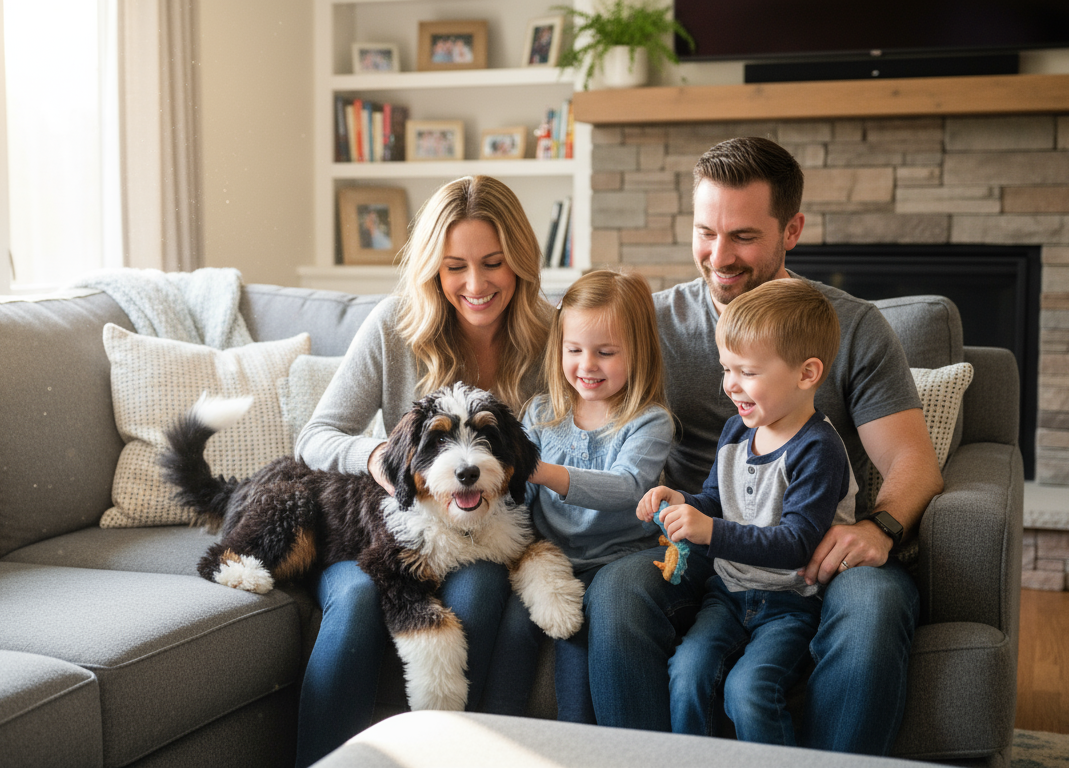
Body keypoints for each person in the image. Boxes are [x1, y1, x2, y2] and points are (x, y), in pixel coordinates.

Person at [586, 136, 944, 755]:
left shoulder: (851, 326)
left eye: (744, 237)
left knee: (876, 605)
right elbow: (575, 402)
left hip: (814, 549)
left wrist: (880, 527)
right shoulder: (651, 325)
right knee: (616, 592)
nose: (719, 256)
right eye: (706, 232)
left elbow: (911, 459)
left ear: (792, 230)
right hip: (702, 542)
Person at [292, 175, 553, 767]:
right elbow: (315, 437)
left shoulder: (553, 335)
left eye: (493, 263)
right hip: (383, 536)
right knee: (357, 598)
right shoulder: (396, 325)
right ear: (433, 268)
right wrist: (377, 459)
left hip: (489, 535)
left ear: (521, 261)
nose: (476, 285)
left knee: (482, 588)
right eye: (455, 266)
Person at [636, 278, 856, 744]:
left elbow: (797, 543)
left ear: (807, 373)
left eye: (747, 372)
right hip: (728, 594)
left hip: (792, 604)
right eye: (726, 369)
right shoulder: (736, 432)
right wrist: (681, 502)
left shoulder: (818, 449)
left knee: (748, 690)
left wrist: (710, 531)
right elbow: (715, 501)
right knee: (687, 673)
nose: (730, 385)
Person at [499, 269, 673, 723]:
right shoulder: (541, 413)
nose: (587, 365)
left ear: (638, 352)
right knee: (513, 629)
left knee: (577, 645)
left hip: (617, 559)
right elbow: (520, 500)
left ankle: (587, 744)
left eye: (605, 352)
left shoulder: (649, 421)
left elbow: (627, 486)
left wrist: (543, 471)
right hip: (552, 561)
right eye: (574, 350)